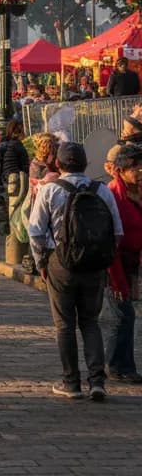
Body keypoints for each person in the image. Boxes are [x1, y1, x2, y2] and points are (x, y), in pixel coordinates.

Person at [29, 141, 122, 400]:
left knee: (65, 325)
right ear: (86, 164)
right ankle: (97, 381)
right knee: (91, 322)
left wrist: (42, 263)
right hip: (94, 265)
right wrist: (103, 260)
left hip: (61, 262)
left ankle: (71, 381)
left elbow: (36, 231)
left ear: (58, 164)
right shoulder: (101, 190)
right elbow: (117, 232)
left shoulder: (50, 190)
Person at [102, 143, 142, 383]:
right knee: (121, 314)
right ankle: (117, 366)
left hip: (133, 263)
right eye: (135, 167)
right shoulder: (113, 195)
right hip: (115, 264)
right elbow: (111, 239)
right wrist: (117, 280)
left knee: (127, 315)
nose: (139, 171)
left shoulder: (135, 192)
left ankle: (123, 365)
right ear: (122, 170)